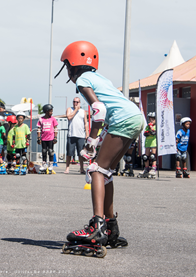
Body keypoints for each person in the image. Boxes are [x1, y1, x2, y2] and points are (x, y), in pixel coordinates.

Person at [55, 41, 144, 255]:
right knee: (106, 172)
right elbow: (105, 111)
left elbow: (98, 108)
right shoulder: (99, 77)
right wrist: (95, 139)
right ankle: (111, 226)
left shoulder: (83, 79)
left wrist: (92, 139)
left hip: (122, 119)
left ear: (73, 64)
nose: (67, 71)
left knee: (96, 169)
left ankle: (97, 227)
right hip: (134, 117)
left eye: (67, 66)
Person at [64, 97, 89, 174]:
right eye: (74, 102)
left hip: (80, 135)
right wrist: (75, 110)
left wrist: (87, 133)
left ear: (80, 103)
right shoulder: (69, 109)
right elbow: (69, 117)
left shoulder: (83, 112)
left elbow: (85, 123)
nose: (75, 103)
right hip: (71, 134)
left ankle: (81, 168)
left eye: (77, 102)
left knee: (81, 153)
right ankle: (67, 168)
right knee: (69, 152)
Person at [37, 104, 58, 172]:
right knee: (44, 151)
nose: (52, 112)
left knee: (50, 151)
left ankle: (51, 164)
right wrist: (39, 138)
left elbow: (55, 128)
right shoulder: (41, 119)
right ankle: (44, 164)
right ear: (46, 111)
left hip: (51, 138)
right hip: (44, 138)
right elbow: (39, 129)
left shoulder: (53, 119)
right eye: (50, 111)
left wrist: (55, 137)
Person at [138, 112, 157, 178]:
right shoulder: (147, 126)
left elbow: (154, 132)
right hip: (147, 143)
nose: (151, 121)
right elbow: (145, 133)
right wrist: (149, 132)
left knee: (152, 156)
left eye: (153, 119)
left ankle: (153, 168)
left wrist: (151, 129)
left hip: (153, 142)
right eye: (150, 119)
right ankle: (146, 168)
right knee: (146, 156)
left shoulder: (155, 126)